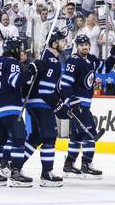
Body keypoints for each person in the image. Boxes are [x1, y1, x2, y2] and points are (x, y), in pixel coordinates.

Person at [59, 34, 115, 179]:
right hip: (77, 104)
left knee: (77, 135)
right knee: (90, 132)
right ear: (77, 46)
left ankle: (69, 164)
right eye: (81, 45)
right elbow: (65, 84)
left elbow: (105, 68)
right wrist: (73, 101)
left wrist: (114, 54)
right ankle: (87, 164)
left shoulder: (92, 59)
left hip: (84, 104)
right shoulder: (73, 61)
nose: (85, 47)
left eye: (86, 44)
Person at [0, 37, 34, 187]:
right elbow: (16, 82)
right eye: (20, 48)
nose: (22, 51)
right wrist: (31, 70)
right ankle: (16, 173)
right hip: (8, 107)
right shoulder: (12, 63)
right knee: (19, 138)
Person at [24, 29, 66, 187]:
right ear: (54, 43)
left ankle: (14, 165)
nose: (65, 44)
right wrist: (57, 104)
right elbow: (46, 90)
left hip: (33, 103)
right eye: (62, 41)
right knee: (49, 137)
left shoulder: (45, 57)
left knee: (36, 137)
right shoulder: (53, 61)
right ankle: (47, 174)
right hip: (42, 103)